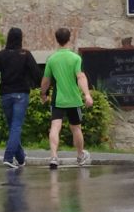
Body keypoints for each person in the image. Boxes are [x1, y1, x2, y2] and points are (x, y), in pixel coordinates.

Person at [0, 26, 41, 170]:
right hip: (21, 94)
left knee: (13, 126)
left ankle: (21, 158)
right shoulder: (25, 54)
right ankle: (8, 157)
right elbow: (37, 74)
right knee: (16, 126)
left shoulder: (1, 55)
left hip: (6, 95)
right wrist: (42, 89)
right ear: (20, 39)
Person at [38, 26, 94, 167]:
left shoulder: (52, 59)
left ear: (56, 40)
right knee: (76, 128)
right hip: (74, 99)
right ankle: (80, 156)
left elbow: (46, 80)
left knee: (55, 127)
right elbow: (80, 76)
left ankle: (53, 157)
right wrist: (87, 95)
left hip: (58, 99)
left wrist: (43, 93)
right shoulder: (76, 58)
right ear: (70, 39)